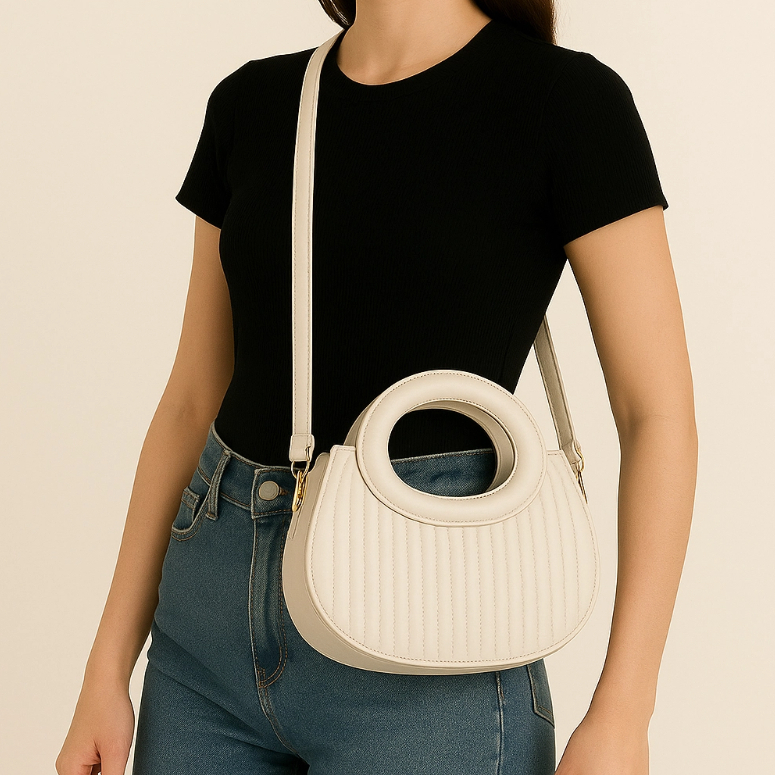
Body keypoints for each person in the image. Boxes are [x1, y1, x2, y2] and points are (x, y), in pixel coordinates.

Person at [56, 0, 697, 774]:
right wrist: (106, 668)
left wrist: (626, 710)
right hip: (205, 649)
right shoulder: (253, 104)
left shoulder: (567, 103)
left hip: (433, 645)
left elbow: (655, 413)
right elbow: (192, 402)